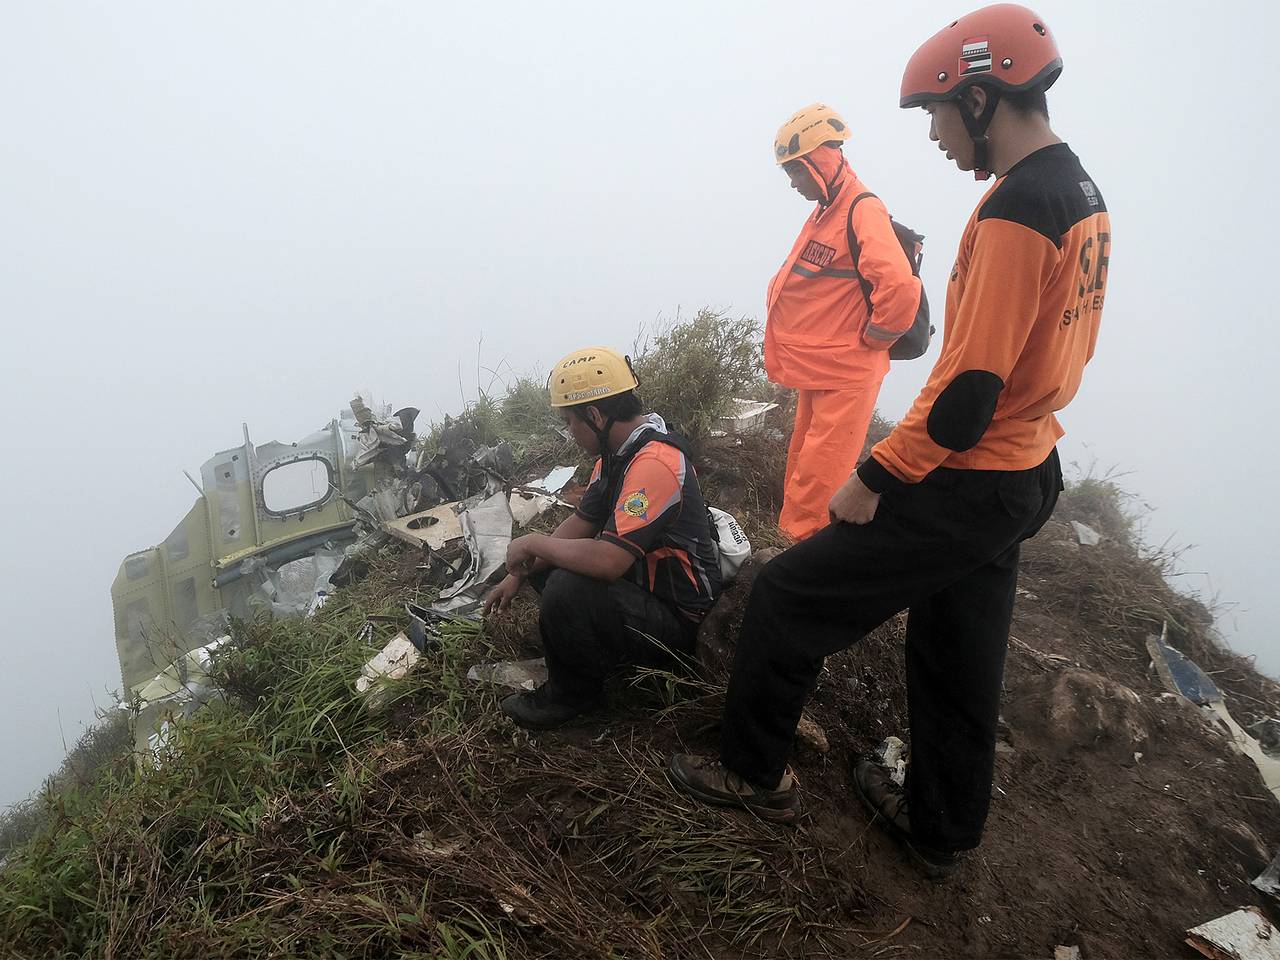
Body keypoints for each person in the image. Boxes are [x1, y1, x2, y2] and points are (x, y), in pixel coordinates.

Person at [667, 4, 1111, 879]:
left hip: (972, 471)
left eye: (938, 113)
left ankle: (751, 774)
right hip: (1027, 469)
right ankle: (941, 831)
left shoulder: (1019, 209)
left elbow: (967, 392)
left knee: (786, 597)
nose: (936, 136)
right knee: (957, 655)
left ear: (980, 97)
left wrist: (876, 475)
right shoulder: (1079, 191)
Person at [484, 346, 723, 729]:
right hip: (646, 591)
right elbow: (580, 524)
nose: (570, 432)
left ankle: (571, 696)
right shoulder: (615, 459)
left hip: (681, 623)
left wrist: (532, 543)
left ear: (594, 416)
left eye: (570, 422)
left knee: (566, 586)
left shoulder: (655, 464)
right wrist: (519, 573)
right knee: (550, 567)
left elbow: (609, 562)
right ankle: (596, 653)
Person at [766, 103, 922, 540]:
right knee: (803, 460)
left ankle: (802, 551)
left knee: (822, 471)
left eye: (796, 171)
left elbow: (899, 287)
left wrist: (873, 340)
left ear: (819, 161)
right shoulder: (827, 210)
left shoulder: (861, 208)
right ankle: (789, 540)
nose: (793, 182)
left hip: (848, 370)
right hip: (823, 367)